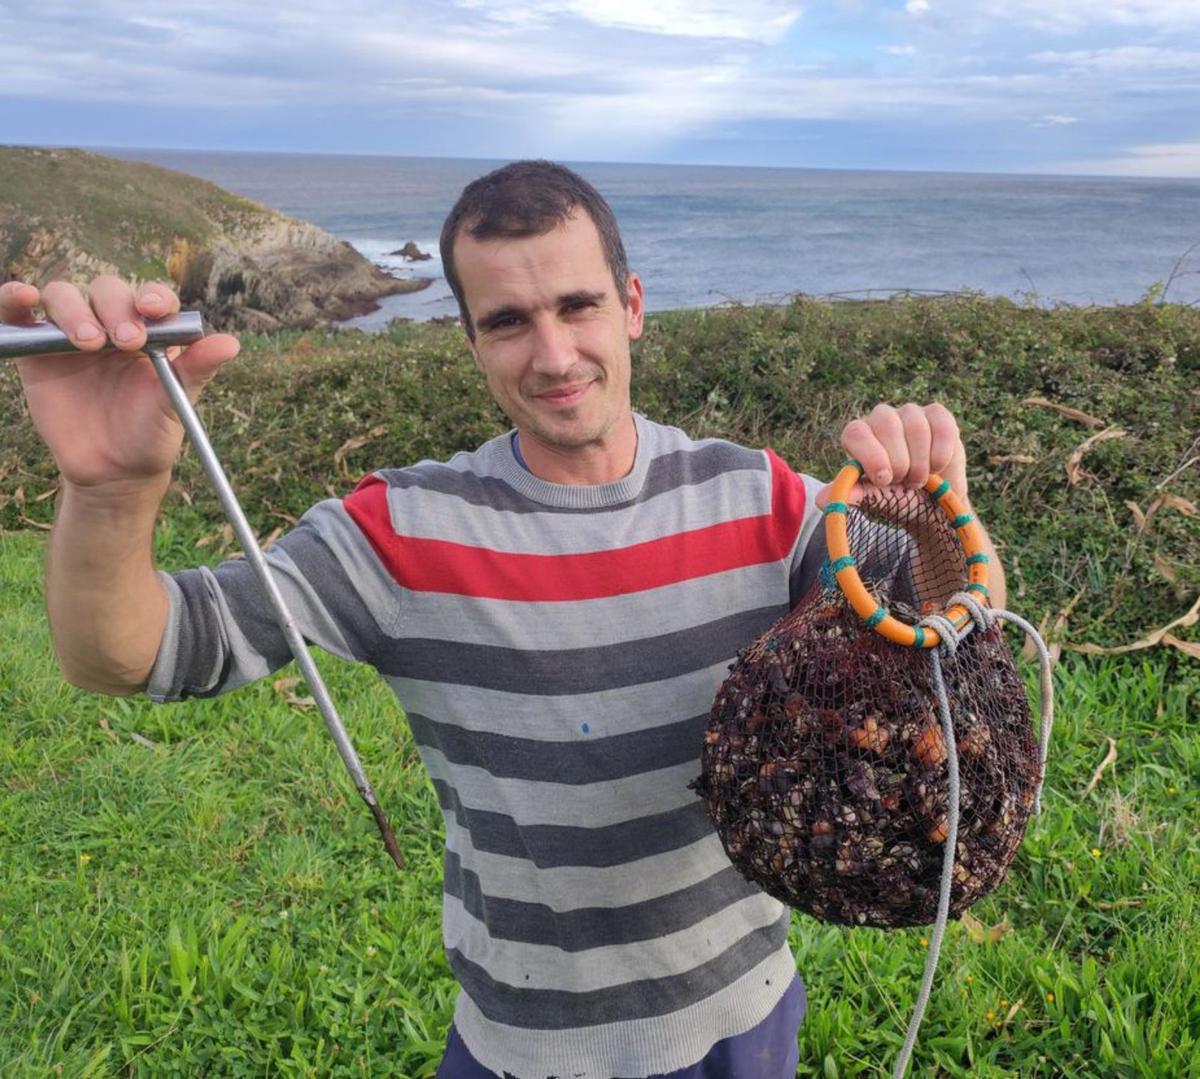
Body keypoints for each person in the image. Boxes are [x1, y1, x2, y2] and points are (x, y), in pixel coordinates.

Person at [3, 159, 1005, 1079]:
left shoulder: (761, 498)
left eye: (579, 306)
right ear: (470, 336)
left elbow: (959, 621)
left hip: (750, 1017)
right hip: (529, 1047)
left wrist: (939, 508)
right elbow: (131, 654)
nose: (555, 353)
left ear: (634, 306)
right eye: (509, 320)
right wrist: (110, 490)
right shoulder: (399, 530)